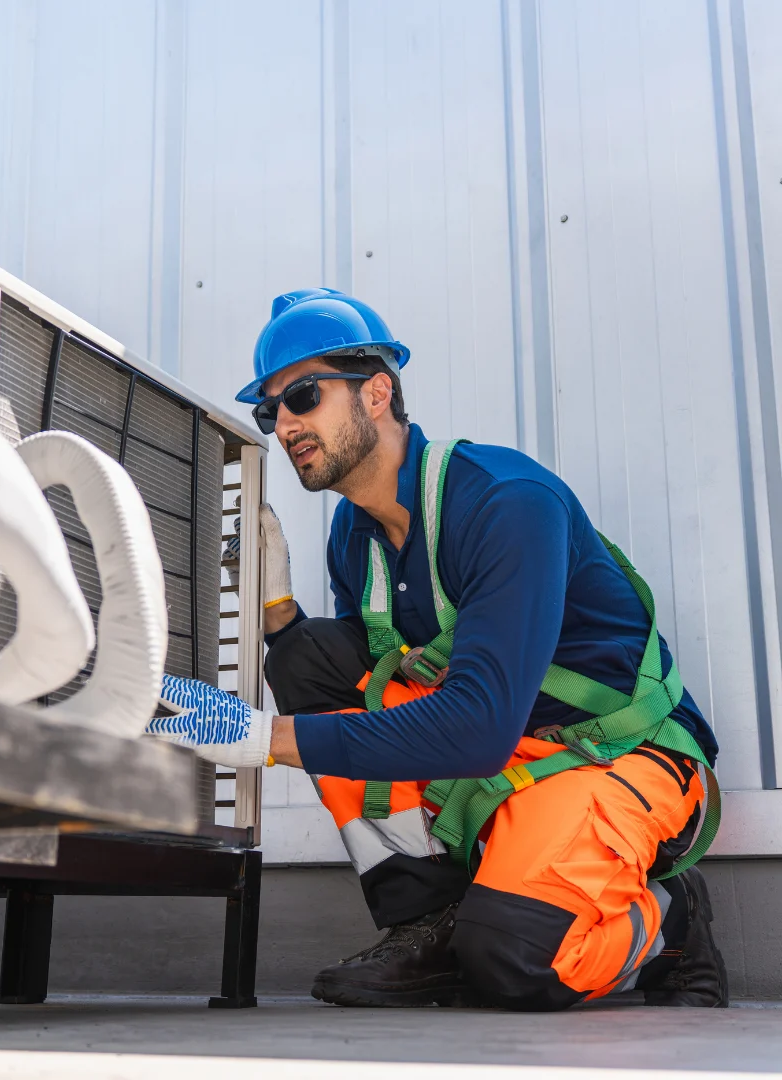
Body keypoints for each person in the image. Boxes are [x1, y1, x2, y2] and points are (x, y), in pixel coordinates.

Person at [147, 288, 726, 1011]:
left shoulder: (504, 500)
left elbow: (477, 726)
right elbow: (369, 691)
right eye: (272, 411)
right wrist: (277, 612)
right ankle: (427, 926)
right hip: (513, 762)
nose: (285, 423)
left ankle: (671, 925)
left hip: (618, 755)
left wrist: (262, 737)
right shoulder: (353, 541)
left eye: (302, 395)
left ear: (378, 391)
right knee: (308, 657)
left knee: (515, 962)